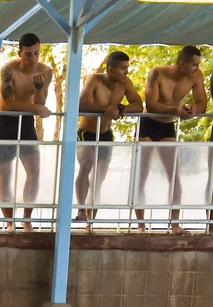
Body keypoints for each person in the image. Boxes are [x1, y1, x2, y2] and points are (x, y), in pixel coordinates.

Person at [134, 44, 207, 234]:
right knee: (142, 175)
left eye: (198, 65)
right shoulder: (157, 73)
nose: (197, 69)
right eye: (194, 65)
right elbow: (150, 104)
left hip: (167, 126)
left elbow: (202, 102)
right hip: (148, 123)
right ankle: (141, 224)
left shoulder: (196, 77)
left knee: (174, 175)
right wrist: (175, 110)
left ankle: (175, 224)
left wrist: (193, 109)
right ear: (182, 63)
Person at [0, 32, 54, 232]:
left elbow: (40, 104)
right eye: (28, 54)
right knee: (4, 175)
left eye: (36, 53)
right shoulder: (9, 69)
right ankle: (9, 222)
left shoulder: (46, 72)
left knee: (34, 171)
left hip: (25, 122)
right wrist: (35, 108)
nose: (33, 58)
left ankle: (26, 219)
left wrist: (39, 87)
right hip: (4, 122)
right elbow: (7, 104)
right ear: (20, 53)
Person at [72, 51, 143, 231]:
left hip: (105, 133)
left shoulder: (125, 83)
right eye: (122, 68)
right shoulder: (95, 80)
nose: (126, 72)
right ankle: (81, 210)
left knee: (99, 177)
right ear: (111, 69)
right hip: (86, 132)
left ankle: (90, 220)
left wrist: (120, 108)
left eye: (127, 68)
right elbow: (81, 103)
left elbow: (139, 106)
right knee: (86, 165)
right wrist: (106, 110)